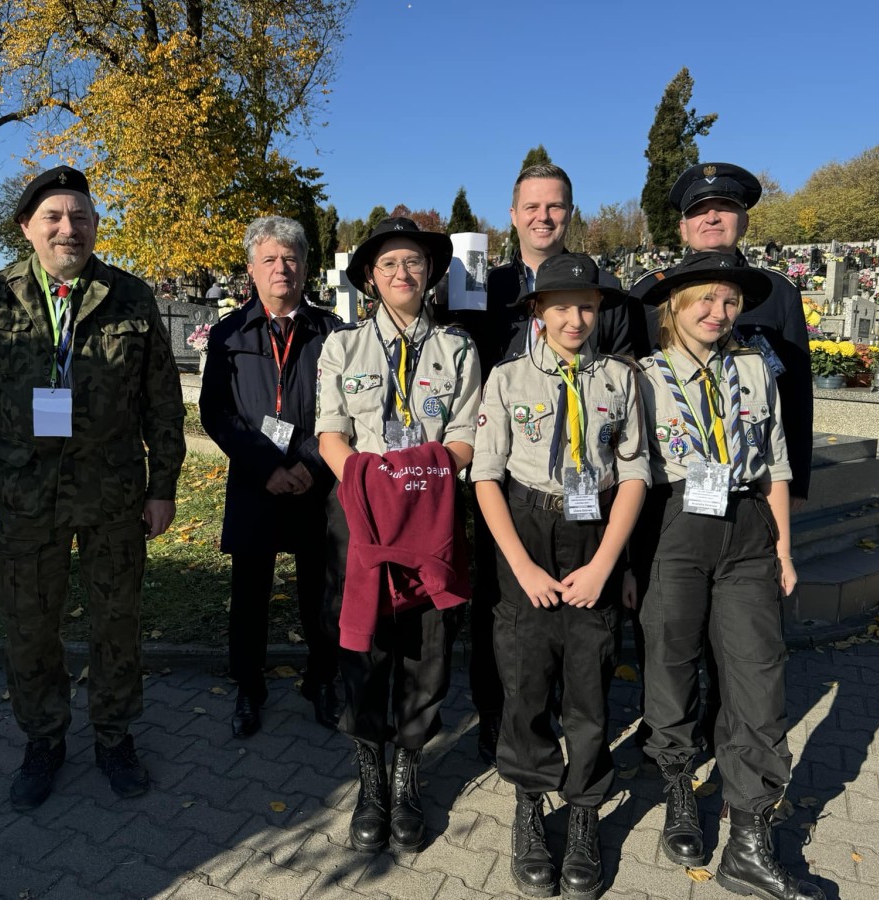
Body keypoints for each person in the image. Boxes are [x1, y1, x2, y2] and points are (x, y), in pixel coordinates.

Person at [0, 165, 186, 811]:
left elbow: (163, 404)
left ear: (96, 226)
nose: (68, 228)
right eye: (53, 217)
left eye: (80, 217)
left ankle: (114, 735)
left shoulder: (131, 297)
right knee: (30, 628)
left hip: (114, 497)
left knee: (117, 625)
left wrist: (164, 488)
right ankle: (44, 739)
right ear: (27, 228)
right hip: (25, 499)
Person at [634, 253, 824, 900]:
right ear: (674, 309)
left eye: (729, 302)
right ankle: (679, 788)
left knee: (758, 679)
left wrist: (785, 553)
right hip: (676, 526)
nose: (718, 314)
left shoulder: (753, 368)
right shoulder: (645, 377)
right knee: (671, 664)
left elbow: (774, 463)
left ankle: (748, 839)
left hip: (747, 529)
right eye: (703, 303)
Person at [473, 253, 648, 900]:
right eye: (561, 306)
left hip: (593, 533)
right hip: (527, 527)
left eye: (588, 306)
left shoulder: (619, 381)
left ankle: (582, 812)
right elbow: (486, 476)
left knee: (589, 679)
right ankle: (529, 802)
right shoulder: (508, 380)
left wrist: (607, 564)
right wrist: (520, 564)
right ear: (537, 314)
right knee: (524, 678)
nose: (576, 318)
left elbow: (633, 474)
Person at [449, 163, 637, 767]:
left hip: (583, 485)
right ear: (512, 214)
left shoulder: (604, 295)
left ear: (570, 213)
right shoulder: (484, 288)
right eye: (531, 207)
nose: (543, 217)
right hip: (501, 474)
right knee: (501, 609)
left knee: (580, 620)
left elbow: (629, 386)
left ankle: (566, 718)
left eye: (555, 206)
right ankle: (497, 717)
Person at [627, 162, 814, 759]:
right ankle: (674, 749)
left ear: (742, 219)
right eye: (699, 212)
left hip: (748, 501)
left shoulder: (777, 292)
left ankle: (726, 741)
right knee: (672, 643)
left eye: (725, 209)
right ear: (682, 227)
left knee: (747, 653)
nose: (718, 310)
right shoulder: (648, 295)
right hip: (675, 507)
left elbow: (795, 403)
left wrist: (789, 508)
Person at [315, 217, 482, 854]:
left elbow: (465, 437)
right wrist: (371, 484)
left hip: (432, 514)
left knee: (426, 644)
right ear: (369, 278)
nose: (402, 274)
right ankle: (369, 777)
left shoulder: (458, 349)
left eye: (413, 263)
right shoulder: (344, 348)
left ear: (431, 272)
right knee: (363, 643)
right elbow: (330, 431)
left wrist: (420, 474)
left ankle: (408, 767)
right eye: (389, 265)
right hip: (362, 513)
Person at [200, 216, 342, 738]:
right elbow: (216, 412)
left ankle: (322, 679)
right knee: (250, 593)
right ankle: (249, 686)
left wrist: (306, 462)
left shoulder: (333, 333)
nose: (282, 268)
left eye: (291, 258)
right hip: (255, 483)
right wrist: (268, 465)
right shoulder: (228, 334)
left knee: (321, 592)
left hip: (316, 483)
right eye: (271, 259)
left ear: (305, 266)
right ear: (251, 270)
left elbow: (344, 410)